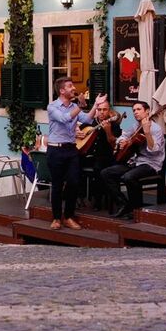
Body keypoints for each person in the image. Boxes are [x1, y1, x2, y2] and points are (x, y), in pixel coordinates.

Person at [46, 78, 107, 230]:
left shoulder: (74, 106)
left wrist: (95, 105)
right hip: (55, 149)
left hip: (71, 149)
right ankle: (56, 218)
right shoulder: (52, 107)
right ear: (61, 91)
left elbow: (87, 119)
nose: (73, 88)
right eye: (70, 86)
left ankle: (68, 217)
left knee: (74, 183)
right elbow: (64, 118)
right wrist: (80, 106)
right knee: (57, 185)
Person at [101, 101, 165, 218]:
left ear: (147, 111)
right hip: (135, 162)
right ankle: (124, 205)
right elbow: (123, 136)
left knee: (128, 177)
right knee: (106, 173)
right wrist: (122, 142)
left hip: (151, 164)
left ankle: (136, 209)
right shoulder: (134, 126)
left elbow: (154, 150)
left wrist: (147, 133)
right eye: (134, 110)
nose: (135, 112)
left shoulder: (156, 129)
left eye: (139, 109)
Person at [76, 100, 122, 210]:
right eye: (99, 109)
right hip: (89, 156)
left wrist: (108, 131)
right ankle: (77, 197)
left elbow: (113, 144)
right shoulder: (90, 123)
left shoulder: (114, 125)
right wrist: (77, 132)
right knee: (72, 163)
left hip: (106, 157)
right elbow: (77, 132)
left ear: (109, 112)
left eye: (104, 109)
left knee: (98, 168)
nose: (101, 112)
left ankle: (97, 201)